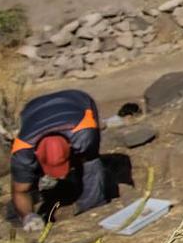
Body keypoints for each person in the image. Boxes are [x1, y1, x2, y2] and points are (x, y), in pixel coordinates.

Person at [8, 88, 108, 228]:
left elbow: (90, 159)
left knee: (90, 161)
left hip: (77, 100)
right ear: (36, 155)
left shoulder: (84, 134)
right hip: (33, 109)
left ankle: (92, 207)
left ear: (70, 145)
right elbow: (20, 190)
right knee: (24, 180)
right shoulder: (22, 150)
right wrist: (28, 217)